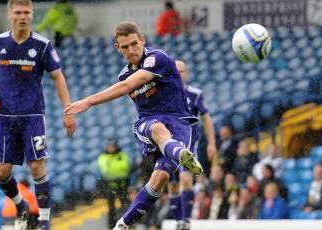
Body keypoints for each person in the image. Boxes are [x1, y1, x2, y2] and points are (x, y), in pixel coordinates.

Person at [64, 21, 203, 230]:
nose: (131, 50)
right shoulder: (124, 74)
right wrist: (88, 102)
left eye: (134, 44)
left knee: (161, 178)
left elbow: (129, 85)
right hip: (148, 124)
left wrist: (87, 101)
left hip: (180, 124)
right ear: (117, 48)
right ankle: (181, 154)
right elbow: (127, 83)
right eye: (125, 46)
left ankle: (123, 224)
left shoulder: (158, 58)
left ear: (142, 41)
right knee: (157, 128)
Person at [0, 0, 76, 229]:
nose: (22, 16)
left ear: (32, 14)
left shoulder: (42, 45)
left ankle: (43, 221)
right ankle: (21, 205)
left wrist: (68, 110)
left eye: (26, 12)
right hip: (4, 117)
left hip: (33, 115)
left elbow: (58, 77)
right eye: (18, 12)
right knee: (1, 173)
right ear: (9, 14)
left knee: (36, 167)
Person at [167, 60, 216, 229]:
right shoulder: (163, 95)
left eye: (182, 71)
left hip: (189, 145)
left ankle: (186, 220)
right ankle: (178, 220)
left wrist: (211, 143)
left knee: (186, 180)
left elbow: (207, 118)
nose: (179, 74)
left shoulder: (195, 94)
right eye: (176, 71)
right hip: (168, 146)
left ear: (186, 73)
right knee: (172, 185)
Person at [98, 138, 131, 229]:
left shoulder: (122, 155)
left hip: (122, 186)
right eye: (109, 146)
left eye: (112, 146)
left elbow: (125, 167)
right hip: (110, 187)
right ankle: (112, 226)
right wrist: (117, 168)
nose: (111, 148)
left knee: (125, 206)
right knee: (111, 208)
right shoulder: (103, 156)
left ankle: (127, 224)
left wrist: (114, 168)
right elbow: (105, 170)